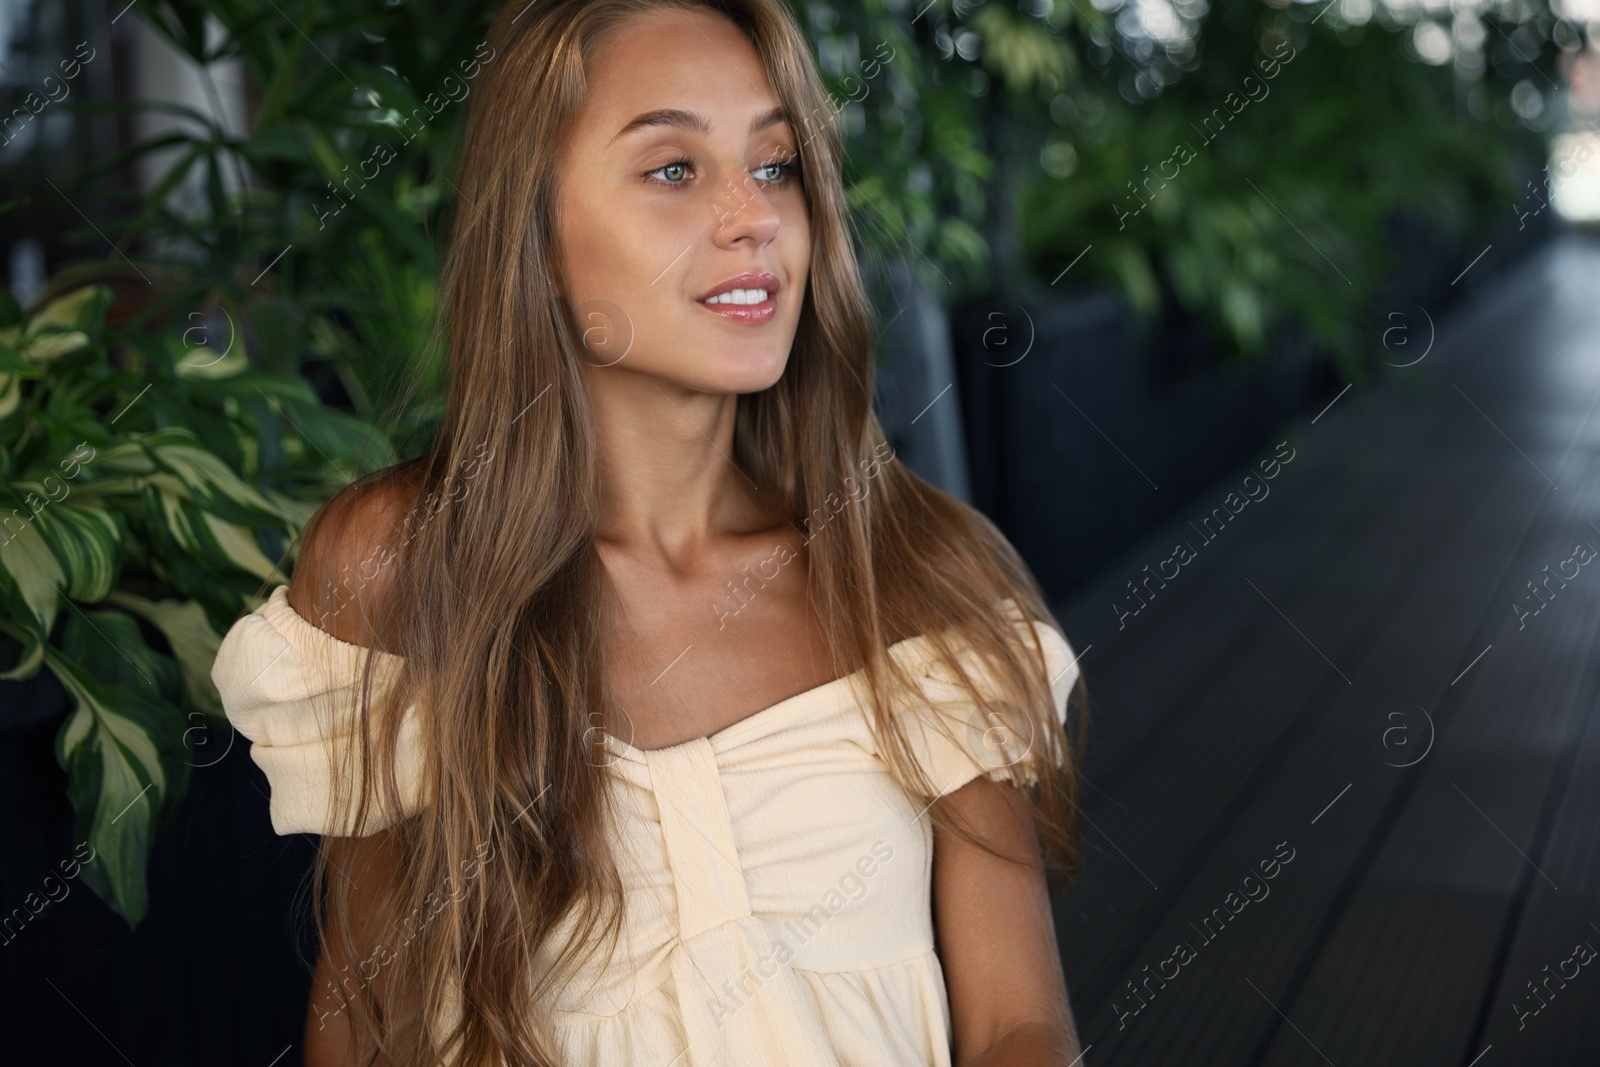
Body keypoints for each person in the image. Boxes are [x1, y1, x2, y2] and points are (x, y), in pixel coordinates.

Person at [209, 1, 1090, 1063]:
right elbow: (366, 1014)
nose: (752, 214)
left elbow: (1017, 1022)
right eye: (674, 169)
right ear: (532, 230)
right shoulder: (396, 564)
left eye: (776, 165)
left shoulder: (908, 570)